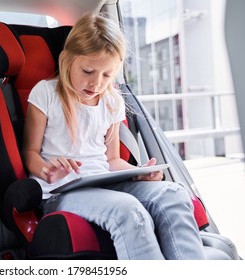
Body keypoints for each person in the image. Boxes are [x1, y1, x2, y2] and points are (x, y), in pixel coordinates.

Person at [22, 13, 206, 260]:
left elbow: (111, 160)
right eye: (87, 71)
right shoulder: (46, 94)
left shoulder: (111, 101)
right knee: (129, 211)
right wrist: (47, 171)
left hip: (106, 182)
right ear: (67, 60)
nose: (96, 83)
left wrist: (138, 172)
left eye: (106, 75)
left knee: (173, 194)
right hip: (62, 191)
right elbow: (30, 152)